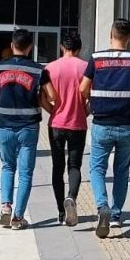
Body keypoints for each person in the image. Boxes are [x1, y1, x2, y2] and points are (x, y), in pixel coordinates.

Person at [80, 19, 130, 239]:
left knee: (97, 168)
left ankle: (103, 207)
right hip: (129, 124)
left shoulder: (96, 59)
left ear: (111, 35)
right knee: (122, 170)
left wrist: (91, 101)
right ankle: (116, 215)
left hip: (102, 123)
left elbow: (83, 88)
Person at [0, 28, 55, 230]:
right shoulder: (38, 70)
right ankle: (18, 218)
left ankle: (5, 207)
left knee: (7, 167)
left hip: (5, 125)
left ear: (12, 46)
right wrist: (39, 96)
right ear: (30, 47)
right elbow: (52, 95)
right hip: (28, 126)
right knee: (25, 173)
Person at [41, 31, 88, 227]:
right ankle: (71, 197)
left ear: (62, 47)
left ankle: (61, 212)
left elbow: (43, 98)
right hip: (78, 124)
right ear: (79, 48)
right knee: (74, 166)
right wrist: (84, 112)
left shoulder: (49, 68)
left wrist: (53, 111)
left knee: (57, 167)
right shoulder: (86, 67)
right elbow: (93, 96)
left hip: (56, 124)